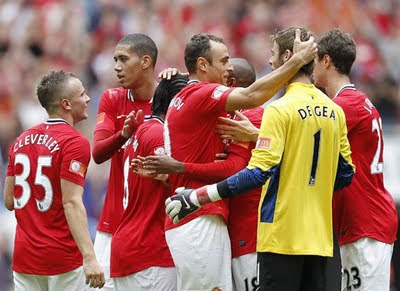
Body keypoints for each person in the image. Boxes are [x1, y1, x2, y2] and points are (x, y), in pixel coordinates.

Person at [165, 27, 355, 291]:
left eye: (274, 54)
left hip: (280, 236)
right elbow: (345, 173)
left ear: (288, 56)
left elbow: (257, 173)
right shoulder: (335, 111)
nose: (269, 61)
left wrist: (198, 197)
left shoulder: (279, 110)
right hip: (320, 240)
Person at [140, 58, 263, 290]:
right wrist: (182, 78)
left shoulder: (247, 118)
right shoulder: (223, 116)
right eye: (222, 61)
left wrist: (179, 167)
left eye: (227, 63)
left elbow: (234, 168)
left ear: (230, 81)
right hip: (220, 226)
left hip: (247, 233)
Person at [3, 70, 104, 290]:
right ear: (66, 104)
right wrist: (89, 257)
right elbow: (71, 202)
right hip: (62, 258)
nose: (87, 99)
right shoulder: (75, 142)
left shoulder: (21, 140)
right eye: (82, 94)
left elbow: (9, 201)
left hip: (24, 258)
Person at [313, 28, 398, 291]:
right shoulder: (357, 101)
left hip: (366, 221)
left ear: (326, 61)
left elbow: (303, 138)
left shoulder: (342, 107)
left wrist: (256, 132)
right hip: (363, 218)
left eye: (314, 61)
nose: (311, 68)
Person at [110, 74, 189, 290]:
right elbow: (170, 180)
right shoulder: (157, 134)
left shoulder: (143, 129)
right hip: (149, 248)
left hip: (131, 245)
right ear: (176, 104)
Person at [92, 33, 157, 290]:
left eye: (123, 59)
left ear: (145, 61)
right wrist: (124, 135)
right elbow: (97, 154)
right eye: (115, 60)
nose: (116, 67)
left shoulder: (172, 99)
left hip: (154, 228)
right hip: (113, 223)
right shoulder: (113, 98)